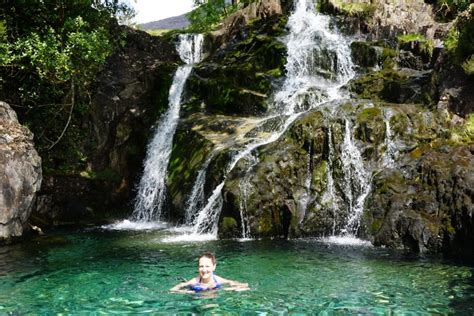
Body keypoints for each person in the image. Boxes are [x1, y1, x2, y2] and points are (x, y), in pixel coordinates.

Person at [170, 251, 250, 293]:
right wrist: (187, 292)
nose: (204, 270)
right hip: (198, 296)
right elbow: (174, 289)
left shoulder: (217, 280)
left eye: (207, 266)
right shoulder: (195, 281)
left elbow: (231, 282)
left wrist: (239, 286)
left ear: (214, 267)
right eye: (201, 266)